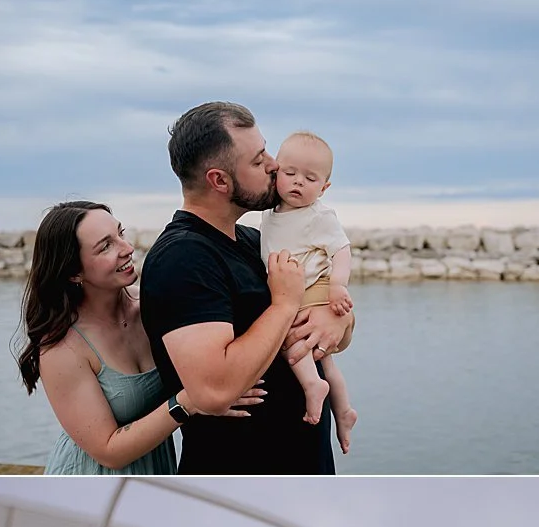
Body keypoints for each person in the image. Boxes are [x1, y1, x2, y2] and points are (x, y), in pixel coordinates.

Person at [138, 100, 353, 475]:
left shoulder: (256, 241)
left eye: (266, 150)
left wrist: (337, 320)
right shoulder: (182, 258)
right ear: (219, 181)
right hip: (239, 472)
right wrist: (284, 306)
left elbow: (337, 332)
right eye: (258, 160)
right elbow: (214, 390)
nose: (273, 165)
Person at [19, 200, 266, 474]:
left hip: (158, 469)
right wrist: (190, 401)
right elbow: (109, 452)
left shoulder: (153, 304)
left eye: (120, 234)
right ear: (74, 272)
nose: (127, 248)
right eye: (105, 246)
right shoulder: (62, 347)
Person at [250, 132, 358, 451]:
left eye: (310, 179)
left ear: (324, 188)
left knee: (291, 337)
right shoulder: (270, 213)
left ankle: (312, 386)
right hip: (297, 288)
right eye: (290, 173)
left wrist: (337, 286)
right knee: (326, 360)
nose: (298, 182)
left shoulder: (318, 216)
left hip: (314, 287)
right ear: (276, 173)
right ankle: (343, 411)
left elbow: (342, 250)